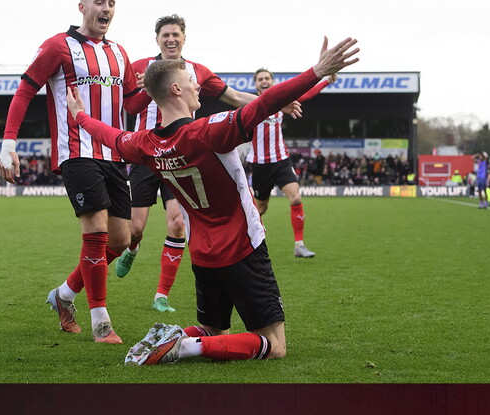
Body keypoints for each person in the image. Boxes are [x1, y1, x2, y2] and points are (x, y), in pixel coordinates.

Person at [65, 36, 360, 365]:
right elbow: (263, 104)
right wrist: (316, 71)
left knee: (210, 327)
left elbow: (111, 135)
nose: (197, 87)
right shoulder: (209, 131)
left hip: (202, 253)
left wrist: (79, 117)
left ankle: (175, 337)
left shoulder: (144, 145)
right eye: (191, 81)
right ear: (176, 90)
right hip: (242, 247)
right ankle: (186, 347)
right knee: (274, 344)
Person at [0, 0, 153, 344]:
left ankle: (64, 296)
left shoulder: (119, 53)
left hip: (114, 153)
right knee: (96, 230)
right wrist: (8, 142)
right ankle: (101, 322)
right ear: (82, 8)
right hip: (76, 151)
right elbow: (25, 89)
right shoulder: (58, 46)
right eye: (99, 2)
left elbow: (130, 104)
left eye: (112, 3)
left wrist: (150, 91)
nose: (107, 8)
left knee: (122, 238)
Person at [118, 14, 302, 313]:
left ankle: (161, 295)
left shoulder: (198, 72)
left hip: (181, 156)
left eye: (176, 34)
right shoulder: (140, 68)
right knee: (134, 228)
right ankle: (133, 246)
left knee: (177, 224)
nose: (171, 39)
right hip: (148, 153)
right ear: (157, 40)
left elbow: (233, 96)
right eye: (165, 35)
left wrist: (273, 101)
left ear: (184, 38)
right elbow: (129, 106)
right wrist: (143, 88)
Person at [247, 68, 336, 258]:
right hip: (260, 164)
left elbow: (307, 92)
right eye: (260, 79)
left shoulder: (281, 102)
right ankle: (247, 243)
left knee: (295, 198)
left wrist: (327, 81)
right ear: (255, 84)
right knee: (260, 209)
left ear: (272, 81)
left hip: (281, 161)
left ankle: (299, 246)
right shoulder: (250, 104)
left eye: (267, 78)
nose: (264, 81)